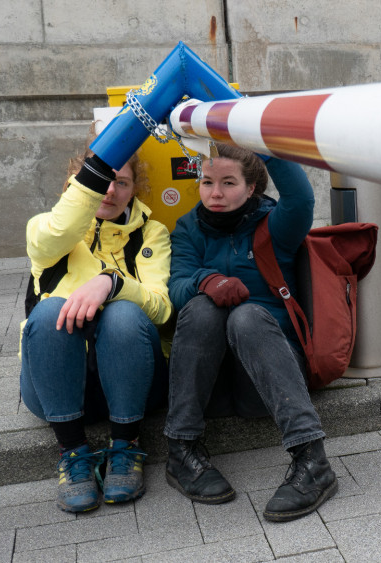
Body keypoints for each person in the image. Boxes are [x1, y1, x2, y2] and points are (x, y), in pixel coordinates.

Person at [164, 143, 336, 522]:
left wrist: (264, 144)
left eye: (228, 182)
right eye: (207, 182)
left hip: (269, 377)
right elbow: (175, 289)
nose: (216, 193)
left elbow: (300, 196)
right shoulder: (189, 228)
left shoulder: (276, 225)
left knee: (246, 317)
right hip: (212, 384)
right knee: (201, 306)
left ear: (252, 187)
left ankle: (312, 460)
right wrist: (206, 280)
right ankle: (181, 450)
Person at [20, 139, 172, 513]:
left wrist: (112, 283)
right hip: (57, 389)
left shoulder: (151, 234)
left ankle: (126, 447)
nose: (109, 190)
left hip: (134, 384)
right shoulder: (44, 229)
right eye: (98, 180)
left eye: (121, 181)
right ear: (75, 185)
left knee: (123, 313)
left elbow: (162, 309)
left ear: (134, 188)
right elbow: (61, 228)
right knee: (49, 312)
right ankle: (73, 454)